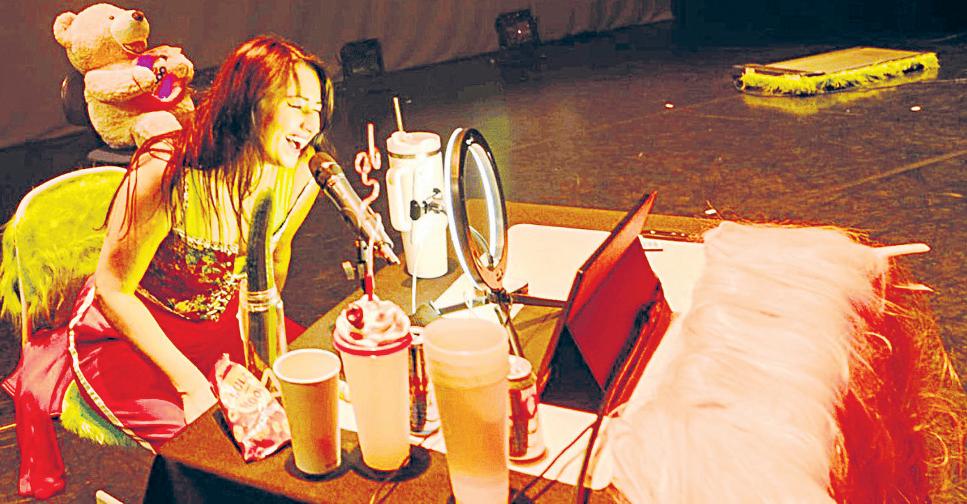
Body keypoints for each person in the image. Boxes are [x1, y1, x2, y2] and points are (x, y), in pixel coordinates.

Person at [4, 34, 334, 498]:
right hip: (129, 340)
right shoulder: (166, 169)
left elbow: (274, 261)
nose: (309, 124)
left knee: (322, 401)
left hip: (225, 326)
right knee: (212, 457)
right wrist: (189, 386)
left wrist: (268, 348)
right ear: (247, 103)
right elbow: (113, 289)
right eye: (296, 106)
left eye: (315, 110)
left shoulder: (301, 175)